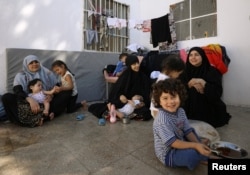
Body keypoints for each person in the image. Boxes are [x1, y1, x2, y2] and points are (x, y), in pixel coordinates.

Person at [151, 78, 219, 170]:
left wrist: (198, 144)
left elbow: (187, 131)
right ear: (159, 101)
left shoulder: (181, 111)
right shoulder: (162, 119)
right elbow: (173, 143)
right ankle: (200, 157)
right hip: (169, 154)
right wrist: (195, 145)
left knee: (192, 131)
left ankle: (202, 152)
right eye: (165, 98)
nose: (170, 102)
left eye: (173, 97)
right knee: (191, 155)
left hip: (180, 140)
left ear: (180, 96)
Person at [1, 55, 72, 127]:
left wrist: (51, 95)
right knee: (6, 97)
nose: (34, 64)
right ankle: (41, 118)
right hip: (26, 105)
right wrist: (30, 99)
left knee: (66, 92)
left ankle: (44, 115)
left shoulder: (46, 72)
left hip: (45, 103)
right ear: (26, 65)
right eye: (31, 63)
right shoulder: (21, 76)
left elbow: (57, 87)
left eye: (36, 62)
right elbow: (17, 91)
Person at [184, 47, 231, 128]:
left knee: (196, 92)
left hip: (208, 105)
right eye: (191, 55)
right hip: (189, 105)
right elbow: (178, 88)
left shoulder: (212, 71)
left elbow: (217, 93)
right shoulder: (184, 71)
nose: (193, 57)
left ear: (202, 56)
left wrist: (203, 83)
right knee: (193, 90)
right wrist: (190, 84)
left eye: (196, 55)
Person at [108, 54, 152, 121]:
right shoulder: (125, 76)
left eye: (137, 63)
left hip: (136, 103)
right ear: (129, 65)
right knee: (113, 103)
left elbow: (147, 93)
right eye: (134, 64)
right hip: (125, 102)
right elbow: (116, 91)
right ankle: (118, 112)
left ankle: (119, 113)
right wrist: (121, 96)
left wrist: (141, 98)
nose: (137, 65)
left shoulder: (143, 77)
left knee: (146, 112)